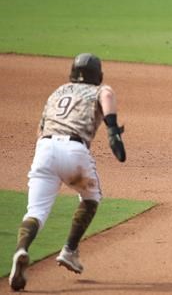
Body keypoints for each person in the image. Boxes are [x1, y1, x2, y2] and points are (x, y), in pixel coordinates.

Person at [8, 53, 126, 292]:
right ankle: (70, 250)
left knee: (36, 211)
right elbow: (107, 95)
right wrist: (113, 130)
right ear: (98, 75)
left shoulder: (57, 92)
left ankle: (21, 249)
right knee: (91, 197)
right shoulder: (99, 90)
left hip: (44, 150)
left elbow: (40, 131)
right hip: (74, 150)